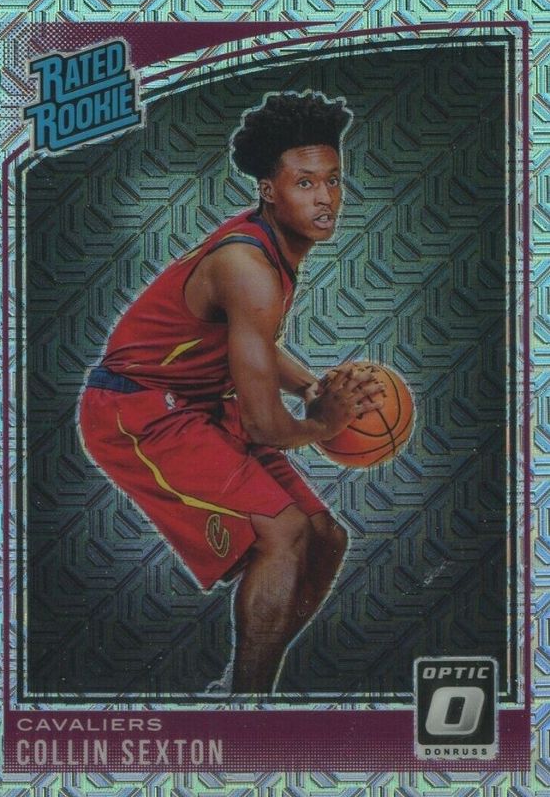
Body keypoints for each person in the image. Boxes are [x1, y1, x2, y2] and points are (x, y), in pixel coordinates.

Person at [79, 92, 384, 694]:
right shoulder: (248, 267)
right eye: (304, 183)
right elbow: (266, 425)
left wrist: (311, 385)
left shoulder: (270, 249)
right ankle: (248, 702)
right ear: (269, 190)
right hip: (135, 410)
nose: (324, 198)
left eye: (332, 180)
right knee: (284, 532)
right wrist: (325, 422)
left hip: (196, 403)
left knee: (326, 539)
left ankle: (247, 680)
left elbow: (251, 342)